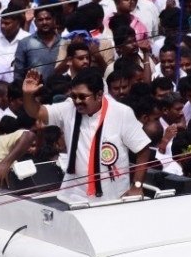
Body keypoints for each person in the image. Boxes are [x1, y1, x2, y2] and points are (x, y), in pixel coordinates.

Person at [22, 68, 151, 203]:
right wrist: (27, 95)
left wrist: (137, 186)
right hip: (74, 196)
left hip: (113, 196)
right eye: (74, 96)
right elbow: (37, 112)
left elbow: (143, 149)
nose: (77, 101)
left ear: (99, 95)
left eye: (83, 96)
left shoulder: (121, 113)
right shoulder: (69, 108)